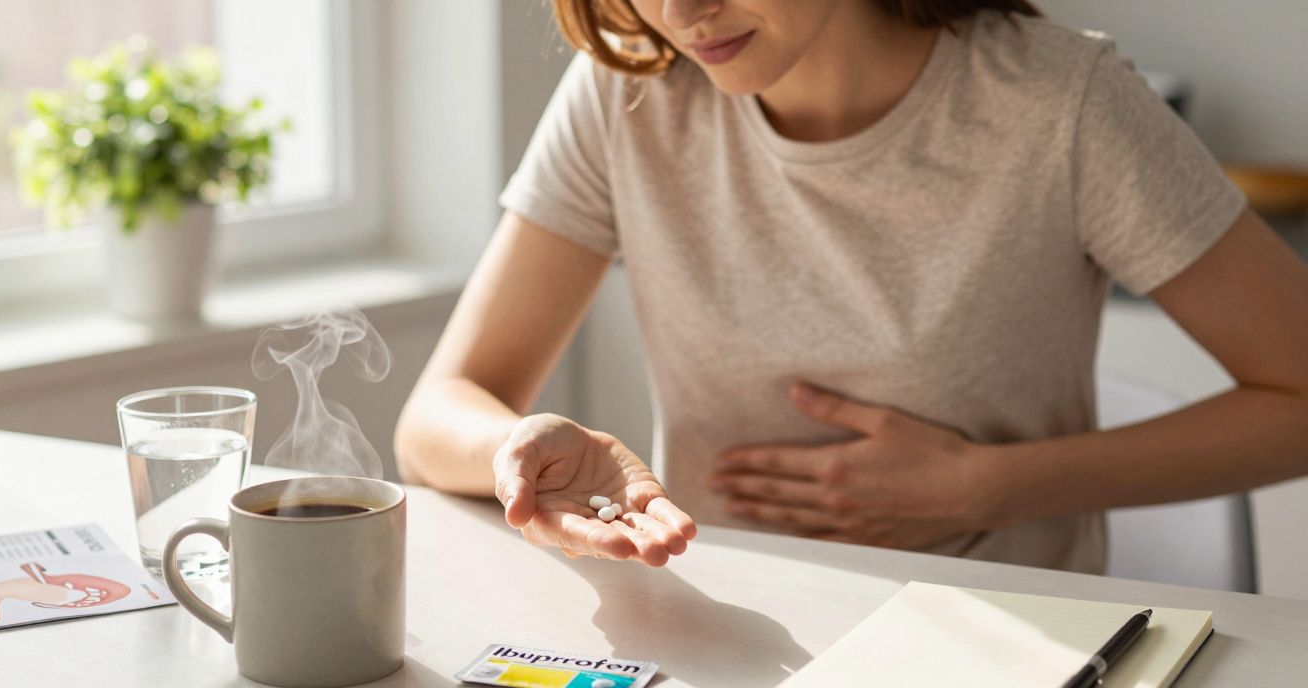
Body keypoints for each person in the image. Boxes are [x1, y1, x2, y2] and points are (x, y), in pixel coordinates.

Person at [394, 0, 1308, 572]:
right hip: (726, 631)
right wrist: (522, 446)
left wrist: (985, 487)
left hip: (1007, 655)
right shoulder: (624, 93)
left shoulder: (1062, 104)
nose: (681, 10)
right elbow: (434, 417)